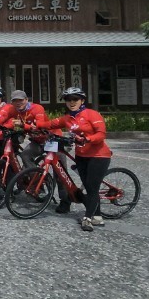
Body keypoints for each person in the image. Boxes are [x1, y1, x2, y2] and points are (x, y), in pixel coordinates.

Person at [41, 87, 112, 232]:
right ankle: (97, 215)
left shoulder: (92, 114)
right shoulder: (67, 118)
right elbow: (49, 124)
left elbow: (101, 134)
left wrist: (88, 138)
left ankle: (87, 218)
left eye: (75, 99)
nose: (72, 102)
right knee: (87, 185)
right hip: (81, 156)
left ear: (82, 100)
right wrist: (31, 125)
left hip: (98, 156)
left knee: (92, 188)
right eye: (68, 100)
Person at [7, 89, 47, 168]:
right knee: (25, 155)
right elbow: (5, 121)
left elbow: (40, 126)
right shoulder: (13, 110)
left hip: (52, 138)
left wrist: (23, 125)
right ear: (12, 102)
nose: (18, 103)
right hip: (37, 141)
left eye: (21, 100)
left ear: (26, 100)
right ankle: (35, 178)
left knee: (59, 165)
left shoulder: (37, 108)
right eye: (15, 101)